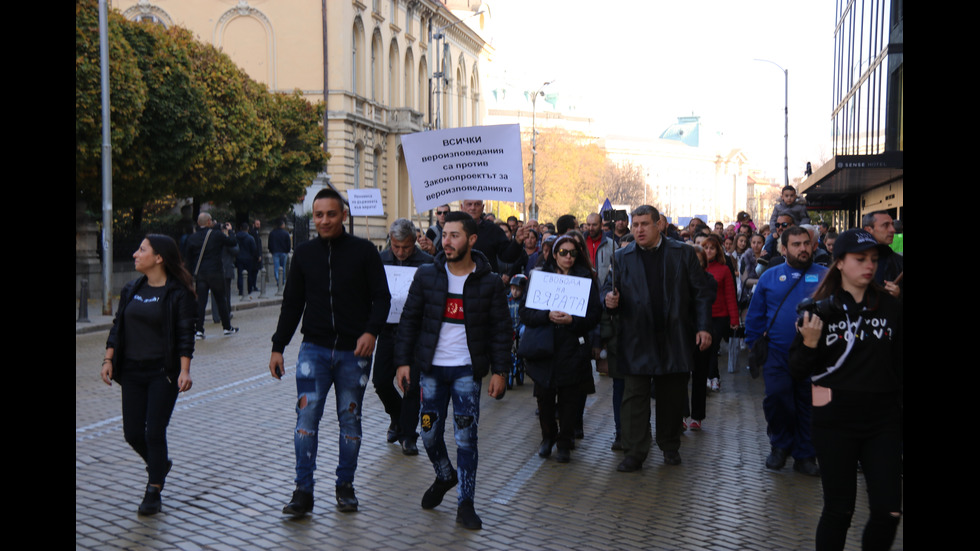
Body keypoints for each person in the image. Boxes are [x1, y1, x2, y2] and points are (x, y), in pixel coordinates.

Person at [269, 188, 391, 516]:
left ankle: (345, 486)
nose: (324, 220)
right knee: (306, 420)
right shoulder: (305, 254)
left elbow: (382, 298)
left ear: (344, 216)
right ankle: (302, 492)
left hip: (355, 353)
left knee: (350, 420)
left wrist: (370, 331)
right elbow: (292, 304)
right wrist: (278, 346)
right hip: (314, 352)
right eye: (318, 215)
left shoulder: (364, 251)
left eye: (331, 214)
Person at [393, 211, 510, 530]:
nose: (447, 241)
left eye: (454, 235)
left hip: (465, 376)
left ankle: (466, 503)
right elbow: (409, 321)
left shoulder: (488, 283)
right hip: (431, 374)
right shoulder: (427, 276)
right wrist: (403, 361)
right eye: (444, 235)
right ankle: (445, 475)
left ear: (471, 240)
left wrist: (500, 369)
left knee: (466, 438)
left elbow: (502, 329)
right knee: (428, 431)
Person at [789, 228, 903, 551]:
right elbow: (796, 370)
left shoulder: (891, 308)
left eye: (873, 259)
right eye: (859, 259)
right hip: (835, 423)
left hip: (883, 423)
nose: (869, 265)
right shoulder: (820, 310)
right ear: (839, 263)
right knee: (840, 510)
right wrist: (810, 344)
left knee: (888, 510)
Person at [602, 205, 715, 471]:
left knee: (672, 396)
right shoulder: (622, 256)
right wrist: (609, 299)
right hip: (636, 337)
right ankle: (635, 451)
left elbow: (701, 294)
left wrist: (703, 327)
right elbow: (608, 289)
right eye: (635, 225)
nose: (639, 229)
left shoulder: (683, 253)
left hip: (673, 336)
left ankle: (670, 444)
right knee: (634, 398)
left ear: (659, 225)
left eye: (644, 224)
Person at [102, 235, 196, 515]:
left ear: (158, 258)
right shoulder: (132, 288)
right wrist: (108, 359)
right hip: (131, 371)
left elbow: (184, 335)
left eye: (141, 250)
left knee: (154, 431)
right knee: (133, 433)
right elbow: (118, 326)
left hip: (162, 373)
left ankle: (153, 489)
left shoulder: (178, 293)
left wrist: (185, 370)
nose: (135, 254)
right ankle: (160, 464)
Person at [745, 226, 827, 476]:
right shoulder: (769, 277)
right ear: (783, 249)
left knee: (811, 405)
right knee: (778, 400)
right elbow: (755, 315)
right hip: (777, 355)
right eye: (796, 244)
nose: (803, 248)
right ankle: (780, 446)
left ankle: (805, 455)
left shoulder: (826, 275)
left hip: (815, 355)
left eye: (806, 243)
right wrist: (755, 345)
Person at [522, 235, 601, 463]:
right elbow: (526, 313)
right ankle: (548, 437)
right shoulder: (540, 278)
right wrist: (547, 316)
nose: (568, 257)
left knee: (570, 398)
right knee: (544, 398)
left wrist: (573, 321)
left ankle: (565, 442)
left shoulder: (586, 278)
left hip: (572, 347)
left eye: (573, 253)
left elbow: (594, 314)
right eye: (563, 252)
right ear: (554, 254)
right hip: (544, 347)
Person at [375, 218, 433, 456]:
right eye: (396, 247)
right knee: (380, 380)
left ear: (414, 242)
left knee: (411, 384)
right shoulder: (380, 261)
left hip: (415, 333)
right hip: (387, 330)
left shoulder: (427, 263)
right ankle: (396, 417)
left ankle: (408, 435)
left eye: (406, 247)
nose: (400, 252)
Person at [184, 213, 238, 338]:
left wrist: (191, 274)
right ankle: (227, 327)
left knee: (201, 303)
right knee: (221, 300)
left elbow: (188, 259)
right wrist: (230, 231)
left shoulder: (192, 238)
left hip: (201, 274)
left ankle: (199, 330)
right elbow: (232, 242)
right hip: (216, 273)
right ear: (209, 222)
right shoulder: (216, 235)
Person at [701, 234, 739, 398]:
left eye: (712, 248)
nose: (708, 251)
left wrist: (734, 319)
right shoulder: (695, 268)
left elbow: (730, 295)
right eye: (705, 247)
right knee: (705, 349)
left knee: (713, 347)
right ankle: (712, 376)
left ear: (717, 251)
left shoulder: (724, 269)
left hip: (719, 316)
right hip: (702, 316)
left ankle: (711, 378)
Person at [861, 211, 903, 298]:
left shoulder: (899, 262)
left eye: (892, 224)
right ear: (868, 230)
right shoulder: (852, 260)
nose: (893, 230)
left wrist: (899, 295)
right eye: (885, 225)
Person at [235, 222, 258, 297]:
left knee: (240, 274)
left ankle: (241, 289)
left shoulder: (236, 237)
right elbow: (254, 249)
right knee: (249, 274)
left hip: (239, 257)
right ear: (248, 228)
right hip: (248, 258)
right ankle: (248, 288)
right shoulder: (250, 238)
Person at [268, 219, 292, 286]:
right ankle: (283, 280)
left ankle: (278, 280)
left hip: (275, 252)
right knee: (283, 267)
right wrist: (288, 250)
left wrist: (271, 250)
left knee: (276, 267)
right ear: (282, 225)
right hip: (284, 252)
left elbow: (270, 243)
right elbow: (288, 244)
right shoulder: (286, 233)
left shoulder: (272, 233)